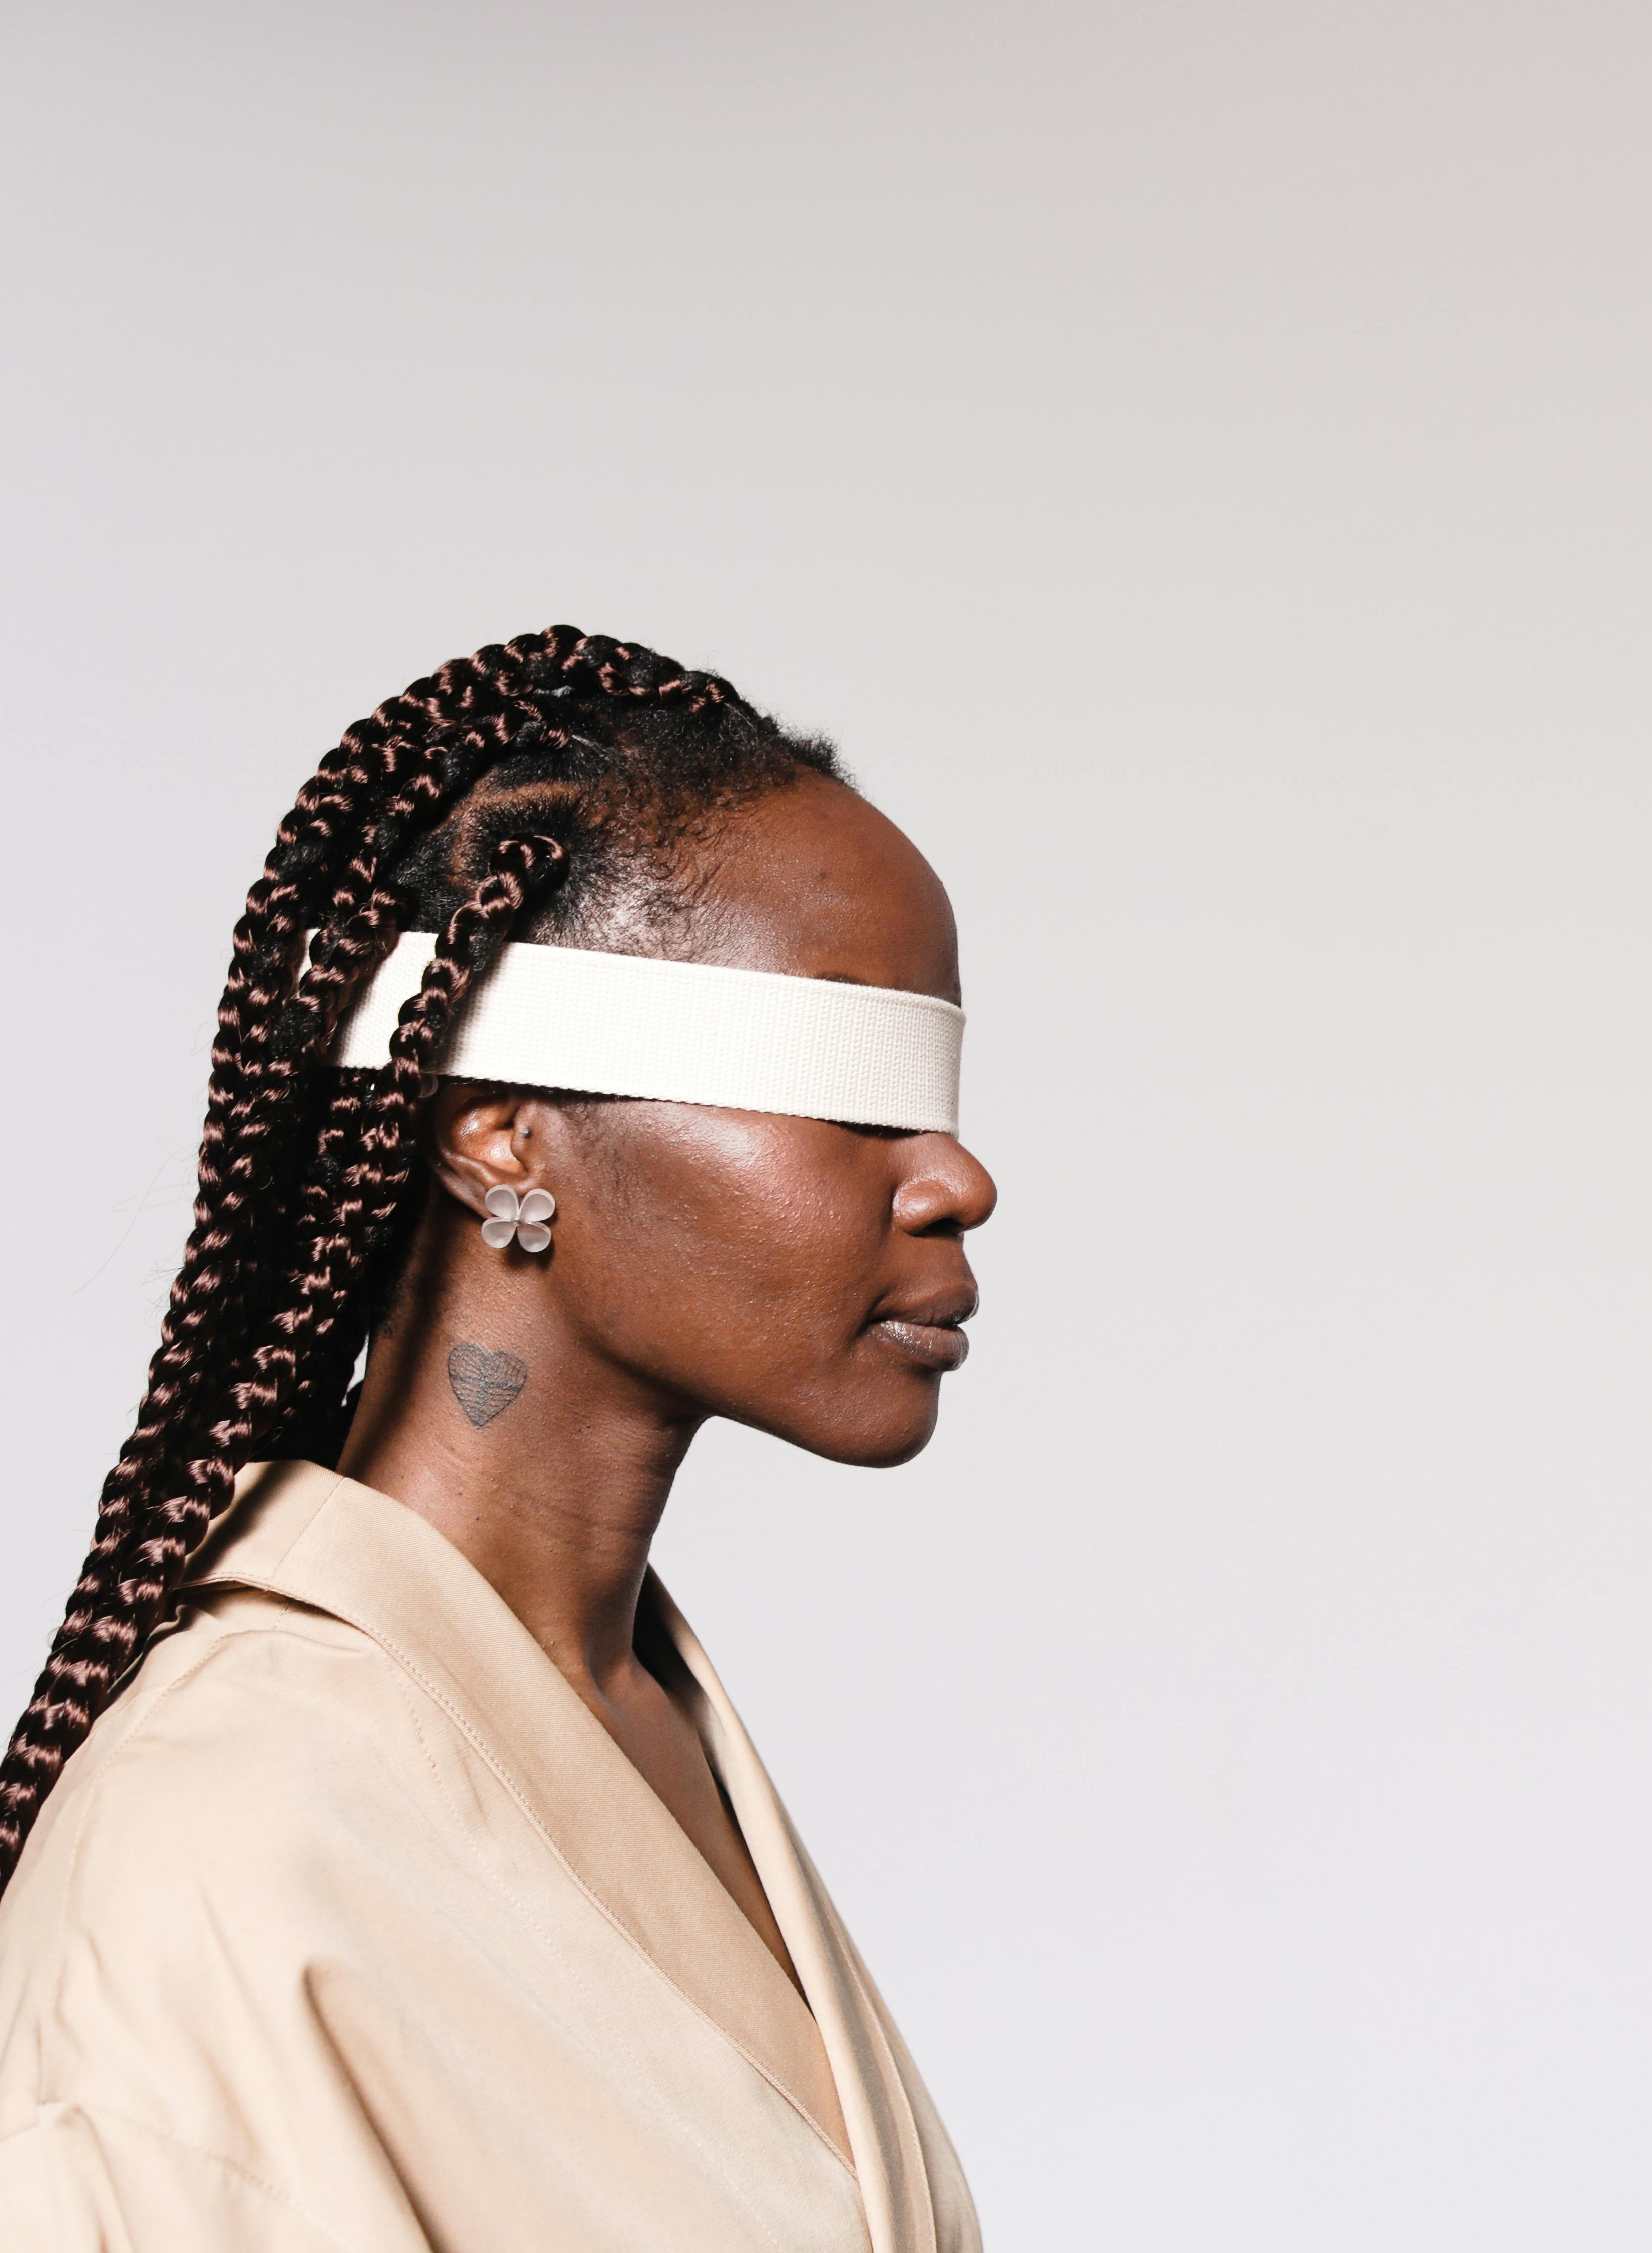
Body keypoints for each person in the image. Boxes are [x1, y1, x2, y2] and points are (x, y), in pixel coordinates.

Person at [0, 630, 991, 2248]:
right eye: (846, 1078)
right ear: (501, 1134)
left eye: (938, 1081)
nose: (956, 1175)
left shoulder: (634, 1719)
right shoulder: (220, 1848)